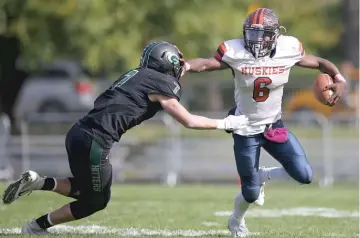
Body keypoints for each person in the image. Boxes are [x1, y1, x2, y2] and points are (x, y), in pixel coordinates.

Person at [2, 41, 250, 235]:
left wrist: (183, 66)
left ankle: (38, 182)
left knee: (85, 188)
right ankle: (36, 226)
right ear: (168, 63)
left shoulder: (136, 75)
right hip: (95, 141)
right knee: (96, 200)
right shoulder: (161, 84)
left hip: (78, 133)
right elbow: (188, 120)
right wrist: (225, 123)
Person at [182, 8, 347, 237]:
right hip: (244, 126)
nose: (257, 40)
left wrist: (339, 78)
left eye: (263, 34)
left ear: (276, 35)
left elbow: (320, 62)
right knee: (250, 194)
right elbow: (207, 64)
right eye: (252, 33)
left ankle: (263, 176)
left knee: (304, 175)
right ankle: (236, 220)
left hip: (273, 125)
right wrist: (187, 66)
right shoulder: (235, 50)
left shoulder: (289, 49)